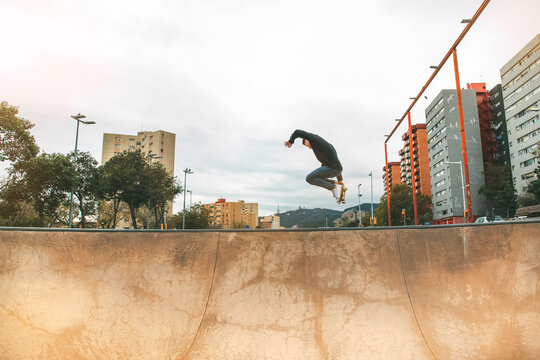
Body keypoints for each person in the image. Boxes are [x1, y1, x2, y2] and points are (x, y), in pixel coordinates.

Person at [284, 129, 347, 203]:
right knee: (317, 176)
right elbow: (335, 161)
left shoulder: (314, 139)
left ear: (307, 140)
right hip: (337, 169)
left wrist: (290, 141)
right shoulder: (326, 146)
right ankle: (336, 185)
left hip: (332, 168)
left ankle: (334, 188)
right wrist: (340, 180)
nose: (310, 148)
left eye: (307, 146)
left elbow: (297, 132)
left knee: (309, 178)